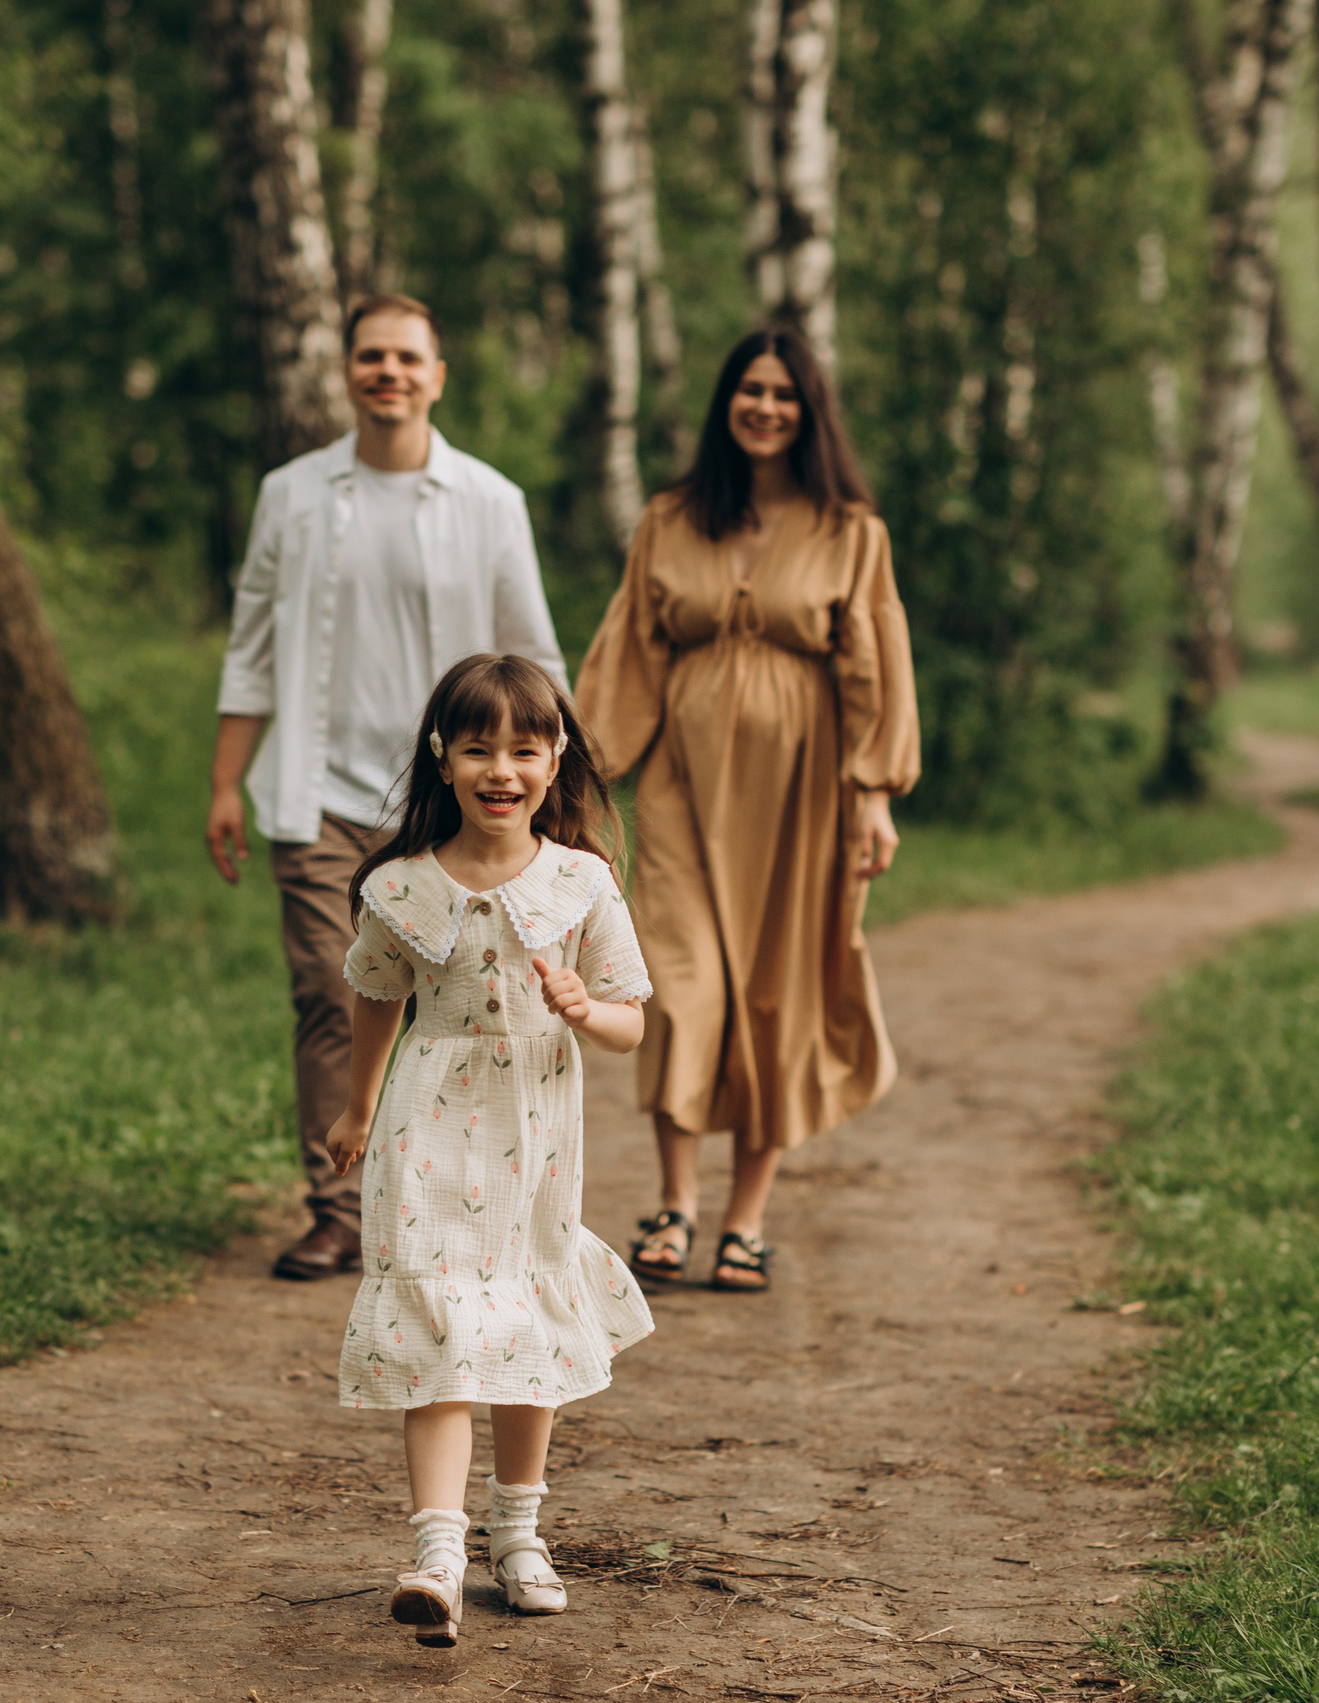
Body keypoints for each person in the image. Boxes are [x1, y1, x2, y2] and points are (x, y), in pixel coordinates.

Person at [208, 295, 568, 1282]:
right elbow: (253, 646)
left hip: (451, 801)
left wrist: (548, 785)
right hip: (317, 793)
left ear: (436, 374)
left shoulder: (489, 499)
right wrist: (225, 781)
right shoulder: (291, 494)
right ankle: (340, 1210)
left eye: (407, 357)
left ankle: (450, 1198)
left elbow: (532, 652)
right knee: (333, 992)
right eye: (371, 356)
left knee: (457, 1002)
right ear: (347, 371)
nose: (388, 373)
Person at [574, 326, 921, 1294]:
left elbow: (871, 667)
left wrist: (873, 796)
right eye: (749, 390)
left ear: (808, 412)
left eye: (784, 393)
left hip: (801, 794)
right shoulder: (672, 517)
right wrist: (580, 777)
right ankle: (675, 1200)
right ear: (726, 403)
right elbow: (627, 652)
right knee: (676, 983)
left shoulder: (851, 529)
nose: (764, 407)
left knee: (777, 991)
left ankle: (746, 1219)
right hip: (682, 782)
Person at [323, 654, 654, 1647]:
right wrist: (355, 1105)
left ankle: (517, 1533)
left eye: (523, 746)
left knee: (521, 1314)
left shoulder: (579, 882)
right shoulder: (402, 888)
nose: (500, 768)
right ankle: (435, 1551)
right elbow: (377, 996)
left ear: (556, 757)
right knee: (436, 1320)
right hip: (427, 1121)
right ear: (443, 757)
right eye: (477, 747)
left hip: (533, 1134)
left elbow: (632, 1020)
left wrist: (586, 1007)